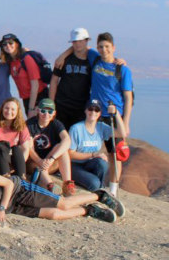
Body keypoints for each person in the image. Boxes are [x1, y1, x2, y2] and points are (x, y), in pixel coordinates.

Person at [0, 153, 124, 223]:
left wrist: (2, 208)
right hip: (13, 209)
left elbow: (9, 182)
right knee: (54, 215)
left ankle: (99, 196)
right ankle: (88, 210)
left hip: (19, 191)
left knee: (62, 204)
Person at [89, 32, 133, 193]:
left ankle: (113, 189)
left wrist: (126, 122)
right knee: (89, 148)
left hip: (114, 116)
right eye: (100, 46)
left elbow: (128, 97)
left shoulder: (122, 69)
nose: (104, 49)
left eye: (107, 46)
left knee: (114, 154)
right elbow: (79, 48)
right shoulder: (94, 59)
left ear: (113, 48)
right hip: (95, 113)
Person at [68, 99, 128, 192]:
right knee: (94, 183)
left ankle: (96, 186)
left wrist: (116, 113)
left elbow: (121, 133)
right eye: (90, 109)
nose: (93, 112)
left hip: (91, 164)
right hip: (75, 165)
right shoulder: (76, 129)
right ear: (85, 110)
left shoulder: (101, 127)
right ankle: (97, 187)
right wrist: (93, 155)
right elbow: (70, 154)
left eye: (96, 110)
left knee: (102, 163)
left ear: (100, 113)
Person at [26, 99, 75, 196]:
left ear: (54, 113)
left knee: (62, 149)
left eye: (50, 111)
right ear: (37, 111)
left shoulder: (56, 124)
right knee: (38, 166)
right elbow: (28, 147)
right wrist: (40, 161)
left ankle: (67, 184)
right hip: (34, 162)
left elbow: (67, 140)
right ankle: (50, 185)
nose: (46, 114)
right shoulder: (29, 124)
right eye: (43, 111)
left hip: (49, 161)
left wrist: (51, 159)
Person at [49, 28, 93, 129]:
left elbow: (105, 59)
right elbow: (54, 81)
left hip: (81, 108)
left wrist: (118, 61)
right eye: (75, 41)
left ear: (86, 41)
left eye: (81, 41)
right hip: (61, 105)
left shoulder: (92, 60)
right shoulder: (63, 60)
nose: (78, 44)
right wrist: (52, 104)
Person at [0, 33, 47, 119]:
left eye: (10, 43)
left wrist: (31, 108)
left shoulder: (26, 59)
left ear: (17, 44)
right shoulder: (11, 61)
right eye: (4, 44)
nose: (8, 45)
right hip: (26, 99)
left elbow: (35, 85)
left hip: (39, 97)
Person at [0, 98, 32, 180]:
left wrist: (17, 165)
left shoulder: (22, 126)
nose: (9, 112)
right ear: (2, 109)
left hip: (11, 162)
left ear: (17, 112)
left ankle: (22, 179)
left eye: (13, 109)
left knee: (16, 148)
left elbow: (26, 149)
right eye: (6, 108)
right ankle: (6, 178)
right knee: (2, 145)